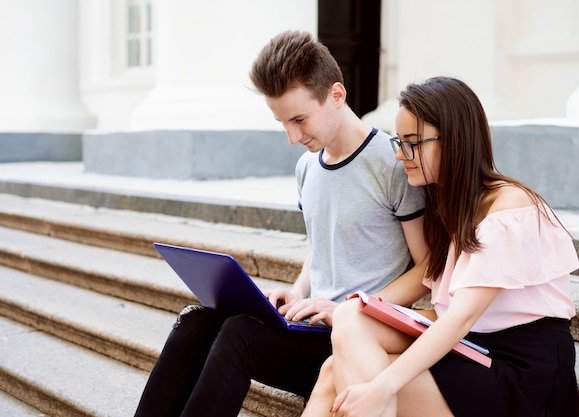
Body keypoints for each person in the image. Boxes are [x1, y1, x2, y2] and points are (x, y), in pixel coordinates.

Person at [133, 30, 428, 417]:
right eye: (282, 122)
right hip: (310, 326)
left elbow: (427, 269)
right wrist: (297, 291)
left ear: (336, 95)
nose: (292, 137)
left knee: (240, 336)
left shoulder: (393, 164)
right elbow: (321, 246)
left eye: (299, 119)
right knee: (197, 321)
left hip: (352, 339)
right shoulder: (308, 166)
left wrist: (352, 308)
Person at [302, 76, 579, 417]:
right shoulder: (451, 207)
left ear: (454, 142)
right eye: (398, 142)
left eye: (412, 143)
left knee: (359, 380)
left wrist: (382, 386)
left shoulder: (509, 206)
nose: (399, 156)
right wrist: (364, 309)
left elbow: (461, 318)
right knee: (348, 326)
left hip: (520, 369)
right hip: (472, 350)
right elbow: (446, 315)